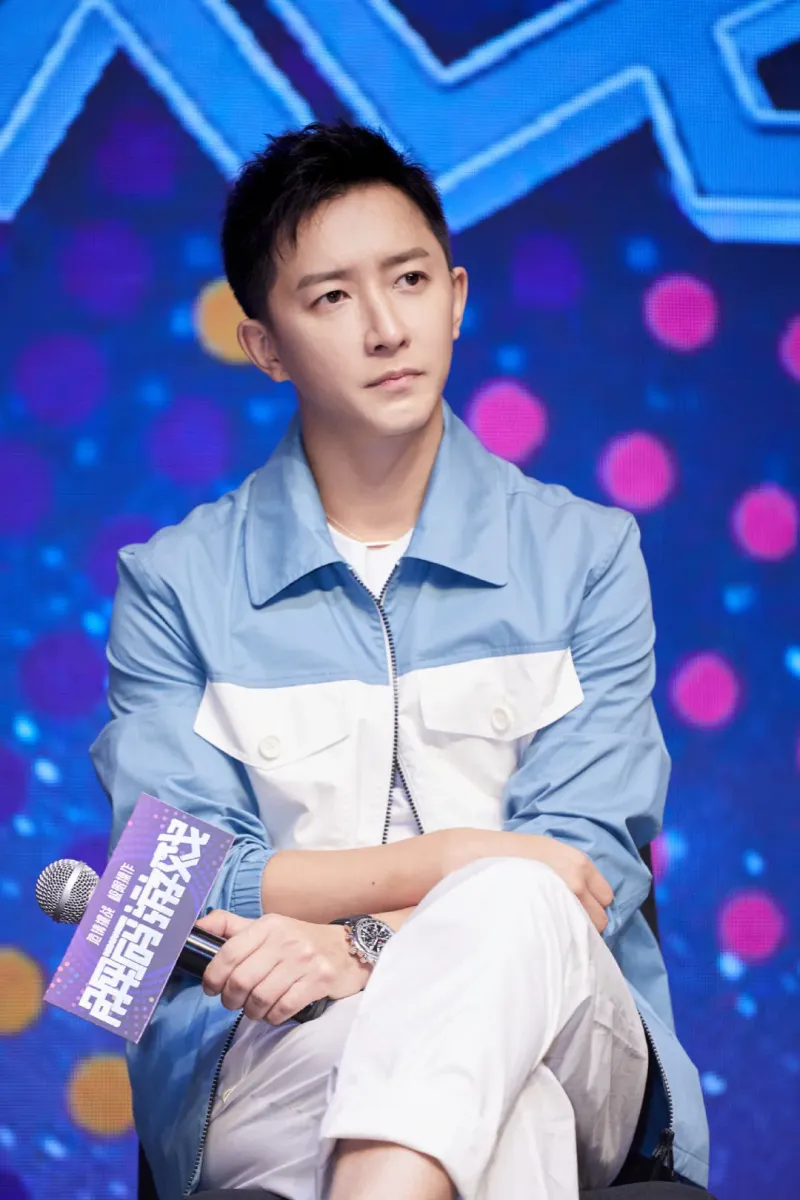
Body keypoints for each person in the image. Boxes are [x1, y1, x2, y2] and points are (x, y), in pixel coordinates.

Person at [90, 121, 709, 1200]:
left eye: (410, 280)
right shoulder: (172, 583)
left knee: (521, 900)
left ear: (456, 297)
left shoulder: (585, 554)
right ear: (265, 345)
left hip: (569, 1026)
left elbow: (583, 870)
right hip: (269, 1044)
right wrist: (455, 858)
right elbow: (164, 888)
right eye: (331, 297)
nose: (386, 329)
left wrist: (367, 942)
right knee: (506, 1107)